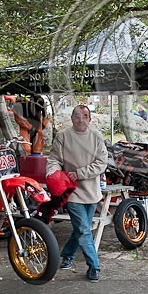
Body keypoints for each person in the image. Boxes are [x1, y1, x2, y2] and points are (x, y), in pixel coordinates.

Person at [47, 105, 109, 282]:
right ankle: (94, 266)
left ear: (90, 119)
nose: (80, 119)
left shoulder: (96, 137)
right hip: (71, 192)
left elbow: (101, 162)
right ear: (71, 118)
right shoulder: (63, 137)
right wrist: (52, 174)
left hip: (92, 192)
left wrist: (80, 173)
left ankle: (67, 254)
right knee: (83, 229)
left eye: (84, 116)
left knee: (82, 229)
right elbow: (54, 160)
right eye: (76, 116)